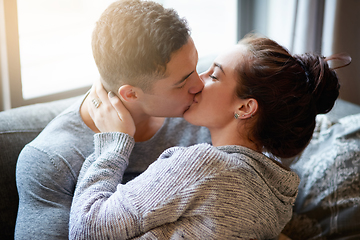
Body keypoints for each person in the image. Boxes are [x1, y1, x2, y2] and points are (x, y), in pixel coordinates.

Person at [69, 34, 351, 240]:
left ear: (244, 108)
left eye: (214, 75)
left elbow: (87, 230)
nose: (197, 81)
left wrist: (113, 143)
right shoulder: (278, 193)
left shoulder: (204, 166)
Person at [15, 1, 211, 239]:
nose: (201, 85)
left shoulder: (201, 109)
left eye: (195, 65)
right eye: (182, 82)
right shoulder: (51, 160)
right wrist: (114, 146)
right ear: (131, 93)